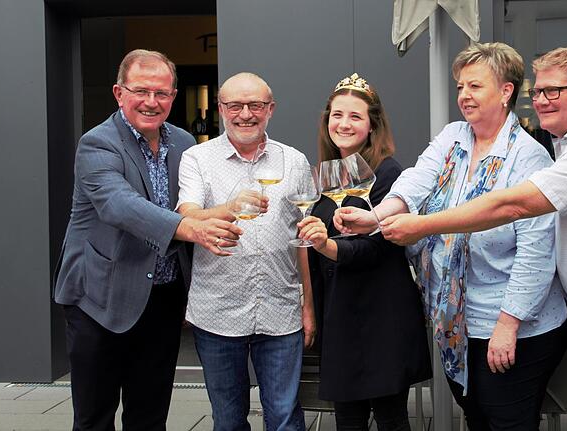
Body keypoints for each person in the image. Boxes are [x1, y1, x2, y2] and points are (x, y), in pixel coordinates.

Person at [343, 46, 567, 431]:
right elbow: (416, 180)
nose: (540, 101)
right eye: (538, 92)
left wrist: (423, 226)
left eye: (553, 92)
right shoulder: (477, 137)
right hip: (485, 318)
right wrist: (377, 216)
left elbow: (520, 222)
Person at [336, 44, 567, 430]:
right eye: (460, 86)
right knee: (476, 416)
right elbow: (415, 180)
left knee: (507, 421)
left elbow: (536, 255)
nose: (463, 95)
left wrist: (508, 325)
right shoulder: (454, 136)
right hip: (456, 322)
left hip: (512, 322)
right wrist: (375, 217)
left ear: (506, 92)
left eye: (475, 86)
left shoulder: (529, 159)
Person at [53, 49, 242, 430]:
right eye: (141, 91)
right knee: (94, 418)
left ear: (174, 96)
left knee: (150, 415)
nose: (152, 102)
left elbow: (194, 202)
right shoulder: (98, 143)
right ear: (119, 93)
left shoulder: (186, 143)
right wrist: (192, 230)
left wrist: (233, 207)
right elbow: (119, 205)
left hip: (163, 300)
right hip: (99, 299)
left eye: (162, 93)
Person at [177, 72, 316, 431]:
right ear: (221, 109)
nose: (245, 114)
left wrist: (308, 306)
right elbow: (186, 215)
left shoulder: (294, 161)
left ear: (270, 109)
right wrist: (229, 207)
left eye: (255, 105)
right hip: (217, 311)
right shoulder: (197, 158)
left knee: (285, 417)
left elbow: (301, 237)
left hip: (281, 310)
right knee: (228, 420)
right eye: (235, 105)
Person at [296, 73, 432, 431]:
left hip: (381, 313)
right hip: (340, 313)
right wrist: (309, 304)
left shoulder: (388, 172)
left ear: (372, 125)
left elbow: (374, 248)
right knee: (347, 420)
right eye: (337, 115)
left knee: (390, 419)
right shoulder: (328, 173)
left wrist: (325, 244)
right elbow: (310, 251)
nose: (344, 123)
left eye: (355, 116)